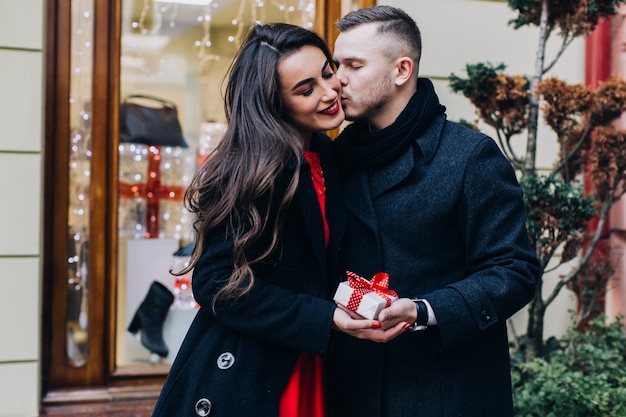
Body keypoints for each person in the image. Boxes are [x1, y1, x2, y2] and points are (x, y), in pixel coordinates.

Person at [151, 23, 381, 417]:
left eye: (328, 72)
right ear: (275, 103)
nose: (329, 92)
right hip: (252, 369)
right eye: (306, 89)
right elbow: (214, 283)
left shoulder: (326, 155)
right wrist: (324, 317)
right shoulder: (251, 170)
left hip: (313, 356)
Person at [326, 5, 541, 417]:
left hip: (446, 392)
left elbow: (514, 270)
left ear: (402, 70)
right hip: (352, 388)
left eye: (353, 65)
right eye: (337, 65)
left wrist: (424, 310)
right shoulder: (336, 158)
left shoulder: (470, 157)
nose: (338, 80)